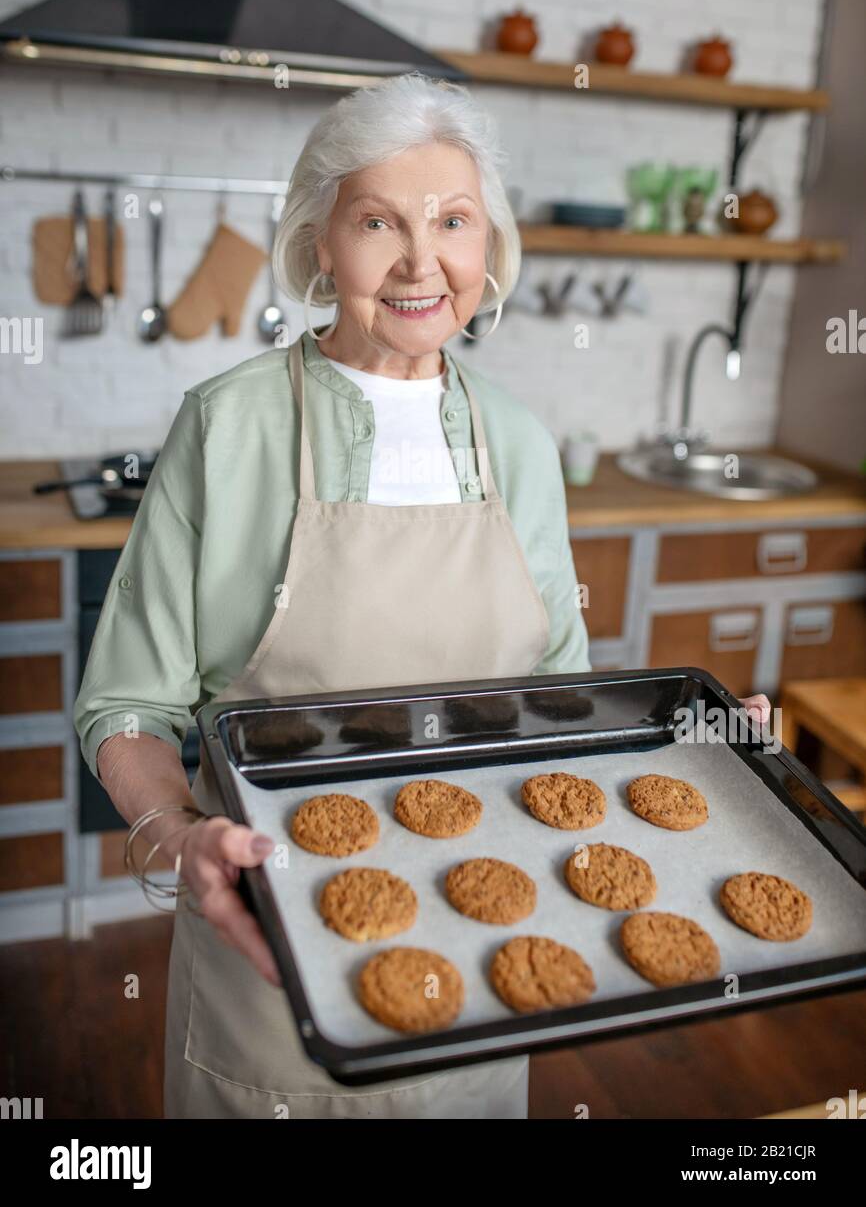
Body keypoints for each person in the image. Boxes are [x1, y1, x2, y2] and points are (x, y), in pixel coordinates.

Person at [75, 73, 770, 1119]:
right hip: (272, 942)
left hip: (491, 946)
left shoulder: (522, 445)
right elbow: (124, 705)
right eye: (377, 221)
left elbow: (559, 706)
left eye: (451, 220)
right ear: (320, 242)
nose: (419, 260)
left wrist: (693, 757)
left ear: (485, 246)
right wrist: (181, 839)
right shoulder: (228, 428)